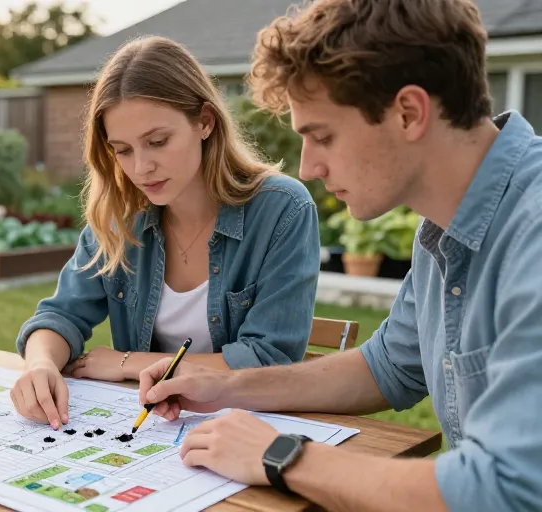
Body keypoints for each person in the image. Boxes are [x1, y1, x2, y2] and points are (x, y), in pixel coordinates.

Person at [136, 0, 542, 510]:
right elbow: (387, 367)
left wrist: (285, 456)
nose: (308, 167)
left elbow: (508, 487)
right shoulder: (443, 225)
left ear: (408, 113)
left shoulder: (532, 232)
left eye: (322, 136)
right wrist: (227, 387)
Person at [11, 35, 322, 429]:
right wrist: (40, 364)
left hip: (246, 429)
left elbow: (268, 360)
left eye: (157, 142)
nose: (141, 168)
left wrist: (127, 363)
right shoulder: (120, 215)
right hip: (153, 433)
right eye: (123, 150)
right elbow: (60, 315)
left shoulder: (282, 210)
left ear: (204, 122)